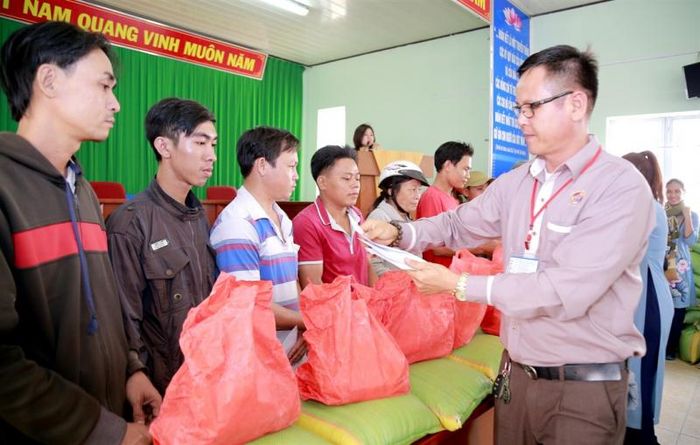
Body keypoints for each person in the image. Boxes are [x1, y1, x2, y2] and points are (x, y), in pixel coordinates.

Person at [362, 45, 655, 445]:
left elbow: (564, 289)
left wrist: (458, 285)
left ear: (576, 104)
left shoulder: (618, 186)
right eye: (518, 108)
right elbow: (459, 223)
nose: (520, 119)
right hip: (516, 377)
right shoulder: (517, 183)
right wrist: (400, 233)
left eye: (532, 107)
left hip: (580, 391)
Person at [0, 21, 159, 444]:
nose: (116, 104)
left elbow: (102, 301)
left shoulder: (83, 191)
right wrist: (101, 430)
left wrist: (131, 370)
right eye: (104, 86)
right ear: (48, 80)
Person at [106, 98, 219, 395]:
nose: (211, 156)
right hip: (159, 389)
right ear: (164, 147)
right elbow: (123, 320)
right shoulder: (130, 224)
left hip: (202, 379)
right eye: (200, 143)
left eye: (213, 144)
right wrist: (135, 373)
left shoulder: (198, 216)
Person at [209, 126, 306, 364]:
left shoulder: (283, 218)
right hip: (256, 358)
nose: (296, 175)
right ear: (262, 165)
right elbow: (249, 305)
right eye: (291, 166)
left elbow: (291, 280)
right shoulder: (238, 223)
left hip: (289, 348)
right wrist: (308, 321)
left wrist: (303, 326)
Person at [621, 152, 673, 445]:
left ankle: (642, 438)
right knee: (636, 373)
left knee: (641, 374)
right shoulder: (646, 205)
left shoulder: (646, 208)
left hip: (647, 300)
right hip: (645, 294)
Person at [293, 145, 376, 287]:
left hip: (363, 300)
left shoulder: (356, 215)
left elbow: (369, 265)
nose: (355, 185)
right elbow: (313, 287)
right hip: (332, 302)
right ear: (322, 182)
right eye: (347, 178)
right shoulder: (306, 223)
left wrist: (374, 297)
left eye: (357, 178)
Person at [415, 141, 473, 267]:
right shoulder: (432, 197)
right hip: (439, 273)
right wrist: (480, 248)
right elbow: (437, 248)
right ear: (448, 166)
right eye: (465, 169)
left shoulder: (453, 198)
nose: (468, 176)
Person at [367, 160, 429, 276]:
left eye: (419, 190)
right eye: (412, 190)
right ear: (391, 191)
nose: (417, 196)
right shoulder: (379, 218)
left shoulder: (408, 218)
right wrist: (403, 281)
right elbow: (374, 265)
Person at [664, 178, 699, 360]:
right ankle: (659, 347)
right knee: (662, 307)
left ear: (683, 192)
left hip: (681, 268)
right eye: (669, 191)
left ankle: (670, 350)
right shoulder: (661, 213)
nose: (673, 195)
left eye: (677, 191)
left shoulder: (692, 215)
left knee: (678, 311)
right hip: (663, 265)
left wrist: (687, 216)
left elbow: (690, 241)